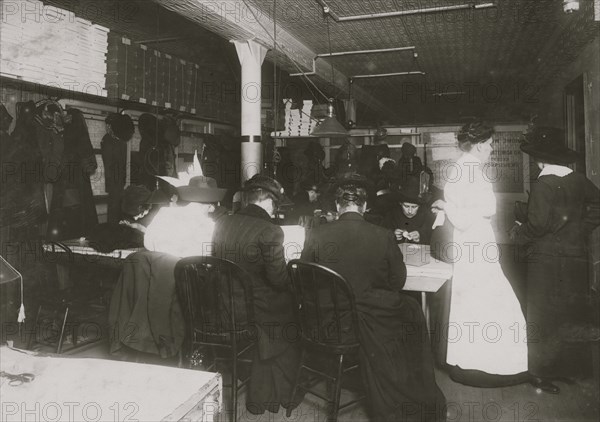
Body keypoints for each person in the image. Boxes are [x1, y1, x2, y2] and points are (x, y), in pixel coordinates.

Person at [302, 173, 446, 422]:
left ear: (337, 206)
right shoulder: (382, 236)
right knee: (411, 310)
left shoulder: (316, 235)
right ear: (365, 206)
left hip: (326, 325)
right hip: (371, 323)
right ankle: (405, 378)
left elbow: (305, 279)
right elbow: (397, 281)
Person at [431, 122, 531, 389]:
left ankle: (473, 362)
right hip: (473, 242)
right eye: (488, 145)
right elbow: (477, 211)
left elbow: (461, 207)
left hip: (472, 242)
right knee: (491, 303)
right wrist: (452, 207)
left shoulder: (463, 168)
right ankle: (491, 366)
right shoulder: (470, 170)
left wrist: (448, 205)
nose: (490, 149)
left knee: (477, 305)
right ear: (477, 145)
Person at [512, 127, 600, 388]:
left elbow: (536, 225)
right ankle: (568, 369)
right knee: (570, 313)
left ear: (539, 159)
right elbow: (597, 206)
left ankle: (541, 373)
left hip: (546, 260)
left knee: (543, 316)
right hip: (575, 257)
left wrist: (517, 231)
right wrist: (579, 229)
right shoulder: (579, 179)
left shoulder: (543, 184)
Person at [212, 175, 301, 415]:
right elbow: (278, 280)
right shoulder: (270, 231)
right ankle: (276, 391)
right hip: (254, 315)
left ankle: (267, 389)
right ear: (270, 203)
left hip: (222, 308)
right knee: (294, 311)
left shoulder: (222, 223)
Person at [144, 175, 227, 258]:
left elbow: (147, 243)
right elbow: (207, 257)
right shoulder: (210, 227)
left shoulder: (164, 213)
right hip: (188, 269)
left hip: (158, 267)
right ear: (212, 207)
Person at [384, 176, 434, 244]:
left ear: (419, 206)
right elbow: (381, 237)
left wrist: (421, 237)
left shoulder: (427, 216)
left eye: (414, 207)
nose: (410, 211)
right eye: (406, 206)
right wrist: (392, 235)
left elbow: (433, 238)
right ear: (400, 203)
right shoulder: (391, 215)